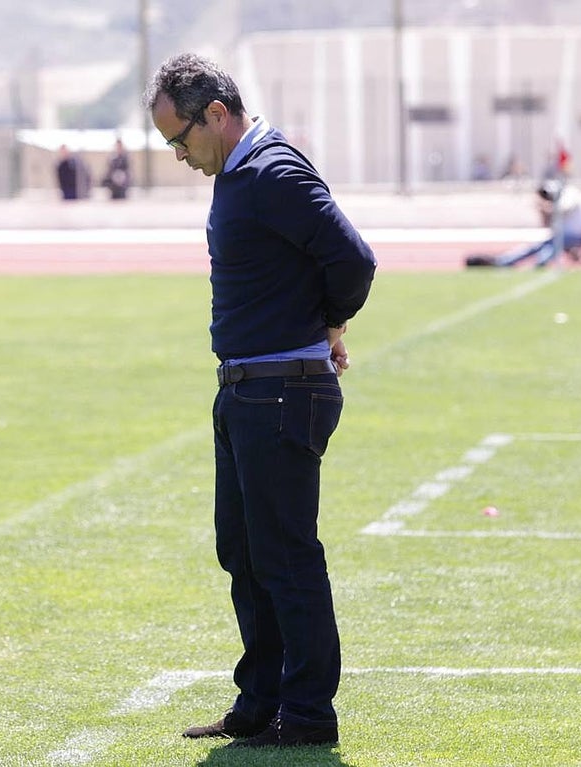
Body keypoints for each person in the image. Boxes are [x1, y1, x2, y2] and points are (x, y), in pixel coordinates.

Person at [142, 53, 376, 749]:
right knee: (244, 550)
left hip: (281, 389)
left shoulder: (271, 170)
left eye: (179, 139)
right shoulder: (242, 171)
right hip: (248, 387)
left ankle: (306, 712)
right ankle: (262, 699)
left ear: (216, 113)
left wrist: (332, 321)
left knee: (285, 554)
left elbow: (354, 260)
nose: (178, 155)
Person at [466, 179, 581, 268]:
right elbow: (548, 225)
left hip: (574, 236)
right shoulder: (555, 203)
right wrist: (544, 211)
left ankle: (539, 262)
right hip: (560, 237)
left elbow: (565, 208)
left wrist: (546, 207)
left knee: (547, 249)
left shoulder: (570, 193)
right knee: (535, 247)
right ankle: (503, 262)